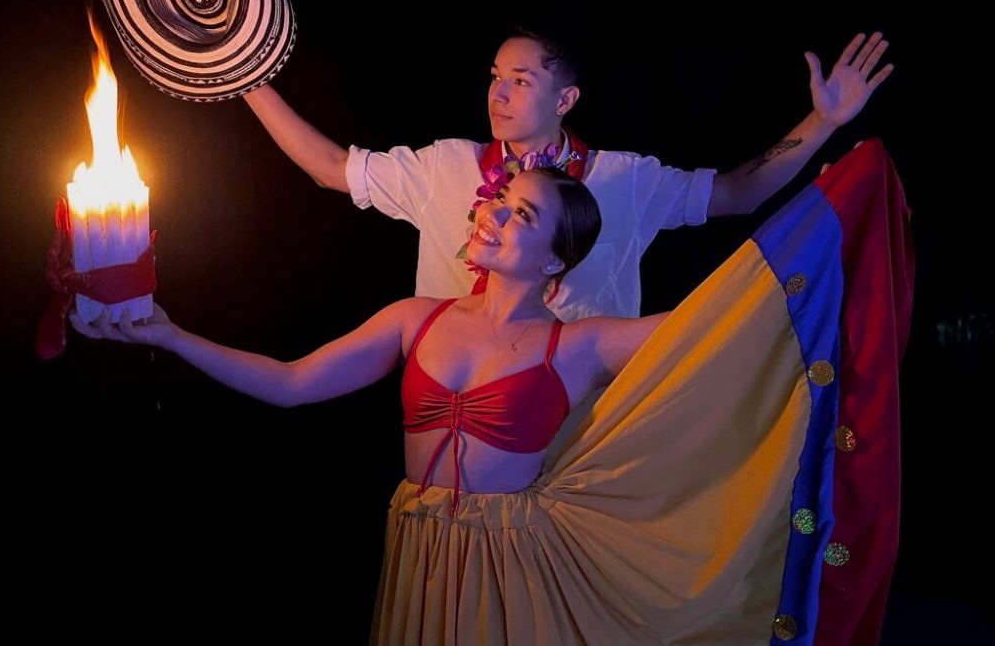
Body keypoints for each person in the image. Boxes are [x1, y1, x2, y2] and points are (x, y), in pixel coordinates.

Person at [71, 147, 914, 644]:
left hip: (514, 565)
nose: (494, 218)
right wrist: (170, 337)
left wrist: (825, 203)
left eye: (521, 215)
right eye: (499, 204)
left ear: (555, 260)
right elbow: (293, 385)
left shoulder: (578, 346)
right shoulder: (415, 317)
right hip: (416, 548)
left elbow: (722, 320)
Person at [243, 28, 893, 321]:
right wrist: (246, 77)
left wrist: (824, 121)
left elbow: (734, 191)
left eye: (520, 81)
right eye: (495, 78)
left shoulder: (621, 179)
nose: (498, 94)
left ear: (565, 100)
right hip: (460, 412)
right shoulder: (445, 166)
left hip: (586, 419)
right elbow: (332, 168)